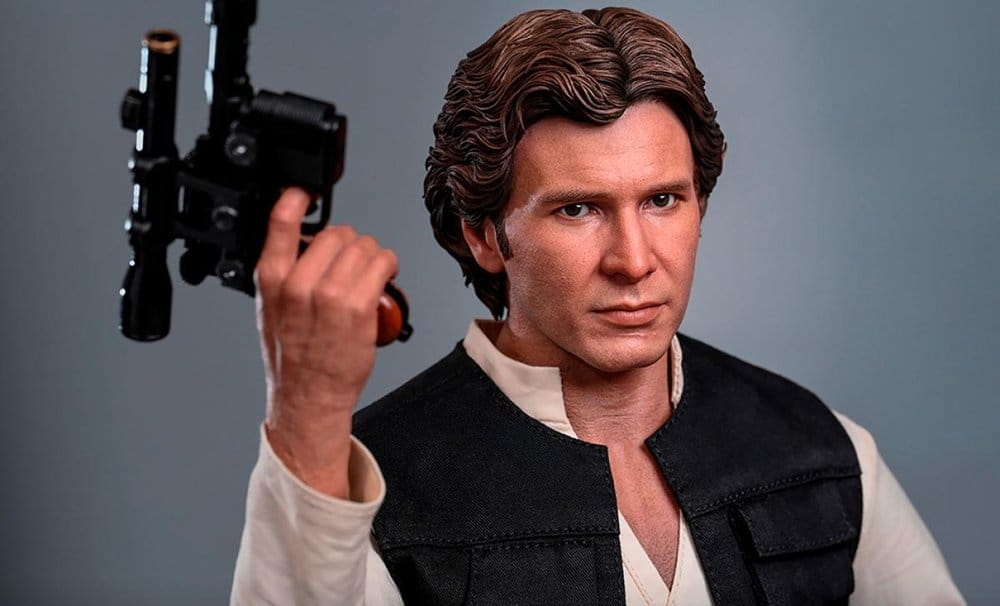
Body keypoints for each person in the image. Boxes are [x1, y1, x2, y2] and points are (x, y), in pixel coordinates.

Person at [230, 7, 964, 605]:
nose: (634, 261)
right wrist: (308, 414)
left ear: (700, 205)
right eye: (577, 209)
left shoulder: (825, 452)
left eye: (662, 200)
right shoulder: (369, 488)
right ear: (483, 235)